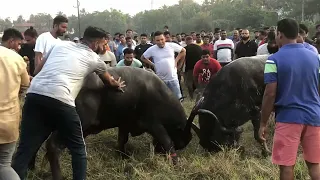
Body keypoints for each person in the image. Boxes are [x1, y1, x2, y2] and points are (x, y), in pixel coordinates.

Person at [11, 26, 125, 180]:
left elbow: (38, 70)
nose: (105, 47)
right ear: (96, 42)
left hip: (34, 94)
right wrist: (117, 85)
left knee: (24, 148)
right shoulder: (95, 59)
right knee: (78, 148)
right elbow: (109, 82)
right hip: (61, 98)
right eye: (104, 44)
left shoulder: (60, 45)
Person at [259, 18, 320, 180]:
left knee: (287, 166)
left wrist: (263, 123)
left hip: (288, 119)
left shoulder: (273, 60)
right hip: (314, 116)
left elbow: (270, 93)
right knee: (315, 164)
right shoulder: (316, 57)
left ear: (279, 34)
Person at [0, 28, 30, 180]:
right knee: (4, 164)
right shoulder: (17, 59)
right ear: (10, 41)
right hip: (8, 121)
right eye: (18, 44)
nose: (19, 47)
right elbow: (25, 85)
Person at [141, 31, 186, 101]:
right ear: (154, 41)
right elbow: (143, 57)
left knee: (178, 99)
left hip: (173, 78)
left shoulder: (171, 45)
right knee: (162, 100)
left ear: (164, 38)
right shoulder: (152, 49)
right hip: (160, 80)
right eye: (158, 40)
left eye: (162, 39)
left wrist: (176, 61)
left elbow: (183, 51)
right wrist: (153, 64)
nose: (160, 42)